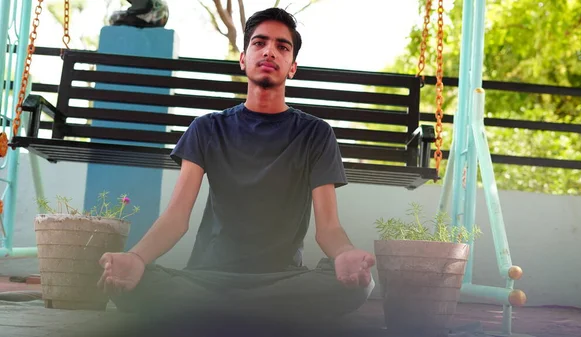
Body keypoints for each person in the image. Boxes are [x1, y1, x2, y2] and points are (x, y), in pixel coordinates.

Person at [96, 6, 376, 330]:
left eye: (282, 46)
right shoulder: (207, 128)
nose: (270, 50)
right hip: (207, 278)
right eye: (259, 43)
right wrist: (137, 259)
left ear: (292, 67)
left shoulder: (315, 134)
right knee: (134, 280)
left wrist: (345, 255)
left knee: (357, 286)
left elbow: (328, 229)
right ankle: (256, 315)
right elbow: (175, 218)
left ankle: (217, 314)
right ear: (243, 59)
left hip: (282, 279)